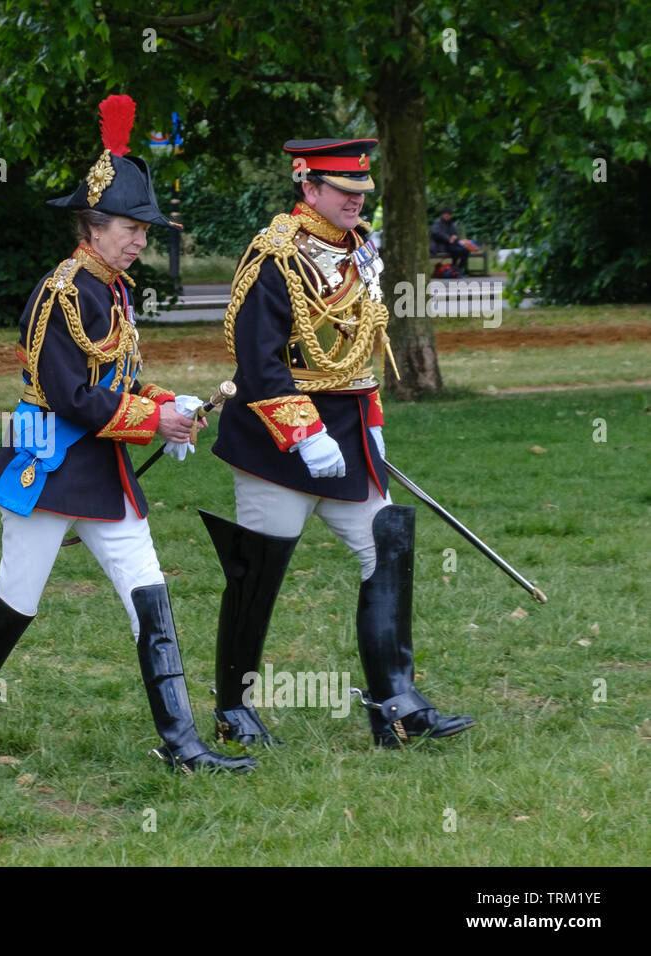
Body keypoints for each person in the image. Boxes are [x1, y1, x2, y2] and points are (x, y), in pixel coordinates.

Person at [0, 95, 254, 775]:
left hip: (103, 472)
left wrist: (171, 405)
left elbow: (121, 380)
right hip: (50, 470)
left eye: (144, 229)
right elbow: (73, 396)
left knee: (150, 592)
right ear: (93, 227)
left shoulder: (113, 291)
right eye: (130, 228)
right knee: (15, 604)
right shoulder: (61, 294)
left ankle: (182, 744)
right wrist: (149, 422)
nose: (140, 239)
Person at [205, 138, 474, 749]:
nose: (356, 200)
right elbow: (257, 361)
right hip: (278, 444)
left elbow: (362, 349)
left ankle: (395, 705)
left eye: (361, 191)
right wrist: (305, 432)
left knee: (386, 549)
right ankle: (233, 709)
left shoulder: (361, 251)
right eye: (344, 191)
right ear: (309, 186)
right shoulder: (274, 257)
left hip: (348, 436)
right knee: (258, 573)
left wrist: (371, 419)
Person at [429, 206, 470, 276]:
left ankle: (458, 268)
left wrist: (455, 237)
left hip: (451, 244)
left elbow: (455, 233)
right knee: (456, 251)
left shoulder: (451, 223)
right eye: (446, 215)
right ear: (442, 215)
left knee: (465, 250)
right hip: (441, 245)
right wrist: (448, 239)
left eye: (449, 215)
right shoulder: (437, 223)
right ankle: (454, 268)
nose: (447, 216)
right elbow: (436, 233)